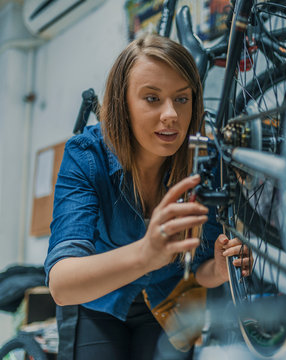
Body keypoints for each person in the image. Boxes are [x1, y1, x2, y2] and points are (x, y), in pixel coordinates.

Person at [44, 34, 250, 360]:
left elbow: (199, 269)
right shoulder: (87, 155)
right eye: (152, 99)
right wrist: (146, 254)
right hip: (99, 301)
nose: (171, 114)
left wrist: (220, 270)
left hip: (167, 301)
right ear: (122, 104)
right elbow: (62, 284)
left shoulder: (204, 161)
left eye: (182, 99)